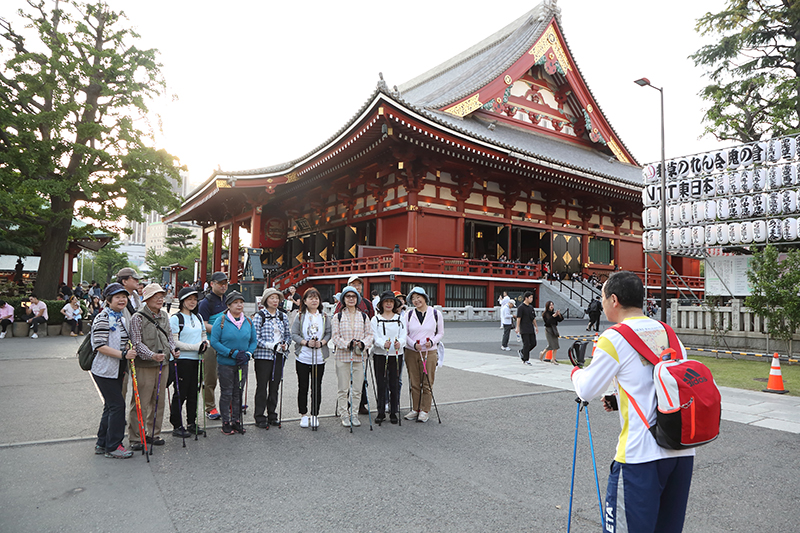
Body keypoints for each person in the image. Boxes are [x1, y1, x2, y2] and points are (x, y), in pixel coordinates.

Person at [571, 271, 695, 533]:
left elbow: (586, 389)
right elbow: (667, 384)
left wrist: (575, 371)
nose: (602, 303)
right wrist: (619, 399)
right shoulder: (669, 333)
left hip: (640, 456)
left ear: (613, 300)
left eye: (602, 297)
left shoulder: (614, 337)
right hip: (681, 451)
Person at [128, 283, 178, 451]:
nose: (160, 299)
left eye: (162, 296)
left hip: (163, 364)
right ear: (147, 298)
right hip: (145, 365)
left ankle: (153, 433)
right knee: (141, 401)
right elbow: (136, 342)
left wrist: (172, 350)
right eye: (156, 296)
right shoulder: (138, 317)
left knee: (159, 400)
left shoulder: (164, 315)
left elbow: (169, 336)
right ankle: (136, 437)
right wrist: (151, 355)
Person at [90, 283, 138, 459]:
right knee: (117, 406)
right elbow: (99, 346)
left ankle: (102, 443)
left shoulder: (120, 318)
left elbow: (123, 340)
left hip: (117, 369)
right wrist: (123, 354)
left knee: (110, 407)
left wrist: (126, 349)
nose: (122, 299)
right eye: (117, 297)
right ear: (108, 300)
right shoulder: (103, 318)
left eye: (124, 296)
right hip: (103, 369)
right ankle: (113, 446)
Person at [209, 291, 256, 435]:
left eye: (241, 302)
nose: (239, 305)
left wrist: (248, 354)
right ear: (229, 305)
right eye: (235, 302)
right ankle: (225, 422)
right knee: (227, 392)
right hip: (226, 363)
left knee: (238, 392)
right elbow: (214, 342)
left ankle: (236, 420)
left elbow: (253, 340)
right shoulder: (221, 320)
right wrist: (232, 353)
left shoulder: (248, 321)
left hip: (242, 362)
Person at [331, 286, 374, 428]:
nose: (350, 298)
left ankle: (354, 413)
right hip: (343, 356)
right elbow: (335, 337)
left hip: (359, 356)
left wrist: (363, 344)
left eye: (353, 296)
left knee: (357, 388)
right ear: (343, 299)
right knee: (343, 388)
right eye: (348, 296)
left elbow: (370, 335)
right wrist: (347, 344)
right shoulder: (337, 316)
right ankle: (344, 413)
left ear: (357, 299)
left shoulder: (363, 316)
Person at [169, 287, 208, 438]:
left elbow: (204, 335)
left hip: (197, 359)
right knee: (180, 393)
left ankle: (191, 422)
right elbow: (174, 342)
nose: (193, 302)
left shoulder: (198, 317)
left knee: (194, 393)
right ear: (182, 301)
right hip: (182, 360)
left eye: (195, 299)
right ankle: (177, 425)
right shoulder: (175, 318)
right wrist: (196, 347)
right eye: (189, 299)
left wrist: (205, 344)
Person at [290, 287, 331, 428]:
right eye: (310, 298)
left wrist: (322, 343)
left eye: (316, 298)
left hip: (319, 357)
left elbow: (328, 333)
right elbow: (294, 334)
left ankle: (314, 414)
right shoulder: (300, 316)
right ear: (305, 301)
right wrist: (306, 342)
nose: (314, 300)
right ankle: (303, 414)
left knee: (316, 386)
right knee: (303, 386)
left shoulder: (324, 316)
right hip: (303, 356)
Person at [401, 287, 443, 423]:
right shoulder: (408, 314)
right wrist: (413, 344)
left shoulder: (436, 313)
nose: (416, 300)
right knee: (414, 381)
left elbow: (440, 333)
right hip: (412, 351)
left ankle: (425, 410)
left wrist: (432, 341)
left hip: (429, 351)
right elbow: (404, 333)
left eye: (418, 297)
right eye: (413, 298)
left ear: (425, 297)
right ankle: (415, 408)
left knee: (427, 382)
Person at [252, 287, 292, 429]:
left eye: (277, 298)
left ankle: (272, 414)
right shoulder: (259, 316)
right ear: (265, 300)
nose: (275, 301)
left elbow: (288, 335)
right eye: (272, 298)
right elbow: (255, 338)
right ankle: (259, 416)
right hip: (263, 356)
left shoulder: (283, 316)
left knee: (275, 386)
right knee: (262, 386)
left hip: (279, 355)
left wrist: (285, 345)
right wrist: (271, 345)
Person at [371, 291, 406, 424]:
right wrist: (382, 343)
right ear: (381, 304)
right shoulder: (375, 319)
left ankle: (393, 411)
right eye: (386, 302)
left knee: (394, 383)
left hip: (396, 354)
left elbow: (404, 335)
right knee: (381, 382)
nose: (389, 304)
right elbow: (374, 336)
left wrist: (400, 343)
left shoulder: (400, 318)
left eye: (391, 302)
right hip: (380, 354)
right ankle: (380, 411)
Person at [197, 271, 228, 420]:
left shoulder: (228, 299)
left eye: (225, 283)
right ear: (212, 284)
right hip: (210, 344)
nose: (223, 286)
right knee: (210, 378)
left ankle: (227, 403)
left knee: (227, 375)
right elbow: (203, 325)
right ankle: (210, 407)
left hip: (226, 343)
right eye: (220, 283)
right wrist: (220, 330)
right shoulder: (206, 302)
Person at [514, 291, 538, 364]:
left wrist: (536, 326)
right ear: (526, 298)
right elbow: (519, 318)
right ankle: (526, 359)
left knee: (533, 343)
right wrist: (517, 327)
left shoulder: (531, 308)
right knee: (526, 344)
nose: (531, 299)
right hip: (524, 328)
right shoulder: (521, 307)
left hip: (530, 327)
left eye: (532, 297)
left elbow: (533, 318)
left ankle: (522, 351)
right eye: (530, 297)